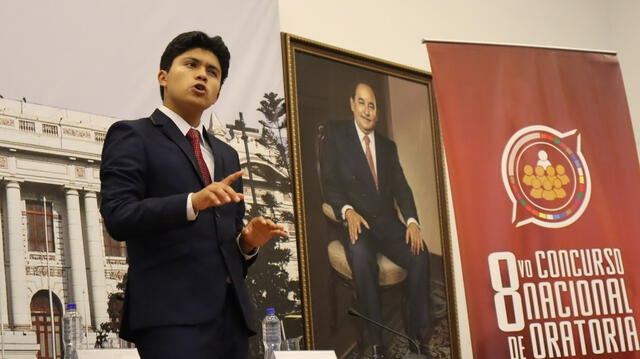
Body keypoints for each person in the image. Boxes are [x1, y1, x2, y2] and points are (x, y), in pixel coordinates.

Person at [100, 31, 286, 359]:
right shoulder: (132, 135)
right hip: (170, 316)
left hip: (232, 317)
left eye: (212, 72)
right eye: (191, 64)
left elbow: (225, 243)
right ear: (163, 76)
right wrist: (192, 202)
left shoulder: (227, 155)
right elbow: (118, 215)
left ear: (217, 92)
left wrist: (247, 243)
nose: (202, 74)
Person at [320, 83, 431, 357]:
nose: (367, 111)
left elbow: (402, 188)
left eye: (372, 105)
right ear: (351, 104)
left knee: (420, 254)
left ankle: (417, 335)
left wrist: (413, 221)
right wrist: (346, 210)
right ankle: (375, 342)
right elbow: (330, 183)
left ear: (377, 112)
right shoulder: (335, 137)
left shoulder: (387, 146)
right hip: (358, 223)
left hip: (388, 225)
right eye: (361, 103)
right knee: (360, 258)